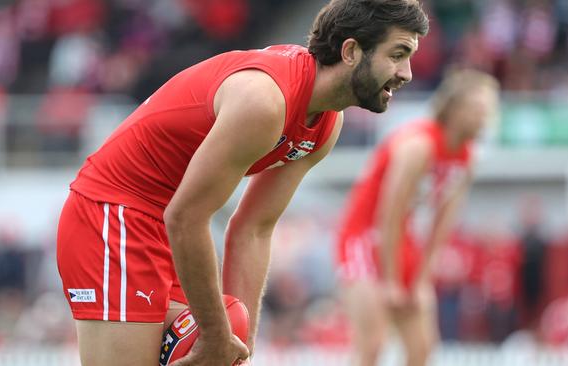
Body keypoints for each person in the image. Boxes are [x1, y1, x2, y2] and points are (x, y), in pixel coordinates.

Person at [56, 1, 429, 365]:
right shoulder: (265, 102)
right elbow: (186, 217)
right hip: (113, 216)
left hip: (165, 230)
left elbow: (254, 228)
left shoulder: (326, 124)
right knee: (218, 329)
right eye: (397, 54)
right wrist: (218, 337)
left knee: (230, 326)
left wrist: (240, 348)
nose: (407, 72)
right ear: (350, 51)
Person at [336, 69, 499, 366]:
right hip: (364, 236)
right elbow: (389, 212)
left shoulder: (467, 157)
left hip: (403, 238)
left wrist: (422, 278)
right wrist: (392, 281)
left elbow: (442, 223)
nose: (485, 118)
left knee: (422, 349)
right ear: (454, 108)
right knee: (372, 345)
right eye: (478, 109)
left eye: (488, 110)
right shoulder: (418, 145)